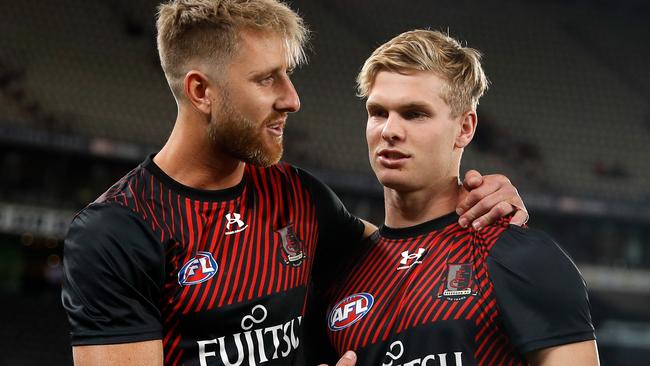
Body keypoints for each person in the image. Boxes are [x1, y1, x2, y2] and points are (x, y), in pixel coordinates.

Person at [60, 2, 528, 365]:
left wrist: (482, 206)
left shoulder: (296, 194)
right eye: (267, 79)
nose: (292, 98)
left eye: (287, 75)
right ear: (201, 91)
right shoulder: (117, 231)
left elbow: (406, 255)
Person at [317, 30, 599, 366]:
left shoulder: (520, 258)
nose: (389, 130)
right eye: (378, 112)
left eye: (414, 114)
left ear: (465, 128)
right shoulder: (342, 271)